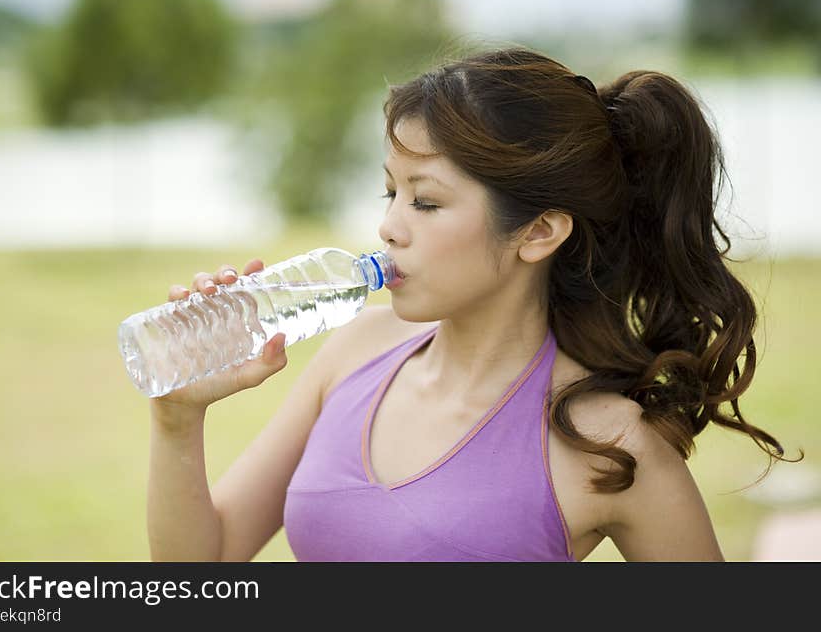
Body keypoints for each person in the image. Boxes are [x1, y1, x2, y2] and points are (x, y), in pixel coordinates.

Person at [146, 46, 800, 562]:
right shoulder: (354, 352)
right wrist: (178, 420)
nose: (391, 228)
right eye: (391, 194)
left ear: (539, 232)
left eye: (426, 201)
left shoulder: (609, 444)